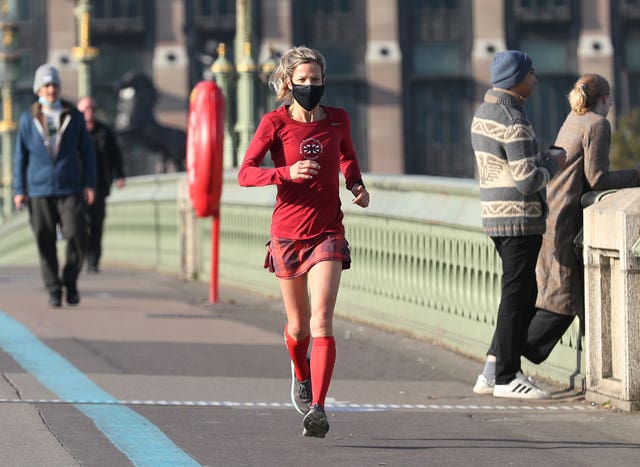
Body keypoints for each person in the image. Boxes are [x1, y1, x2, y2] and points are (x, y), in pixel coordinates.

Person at [238, 45, 369, 438]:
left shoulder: (338, 120)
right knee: (298, 329)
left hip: (328, 231)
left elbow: (347, 157)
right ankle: (300, 372)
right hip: (287, 233)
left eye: (317, 79)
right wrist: (286, 172)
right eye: (303, 80)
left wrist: (356, 185)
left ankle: (318, 408)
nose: (311, 85)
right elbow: (245, 173)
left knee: (322, 320)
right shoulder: (274, 123)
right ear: (288, 83)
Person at [470, 50, 566, 399]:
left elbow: (509, 165)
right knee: (517, 296)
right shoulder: (514, 118)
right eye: (531, 73)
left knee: (516, 293)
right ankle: (508, 377)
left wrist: (538, 159)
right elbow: (527, 180)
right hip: (520, 218)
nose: (535, 79)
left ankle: (491, 369)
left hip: (495, 215)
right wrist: (555, 163)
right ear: (518, 79)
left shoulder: (483, 113)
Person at [13, 64, 96, 307]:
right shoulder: (28, 119)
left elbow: (87, 152)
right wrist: (19, 190)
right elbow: (21, 157)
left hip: (69, 187)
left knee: (76, 235)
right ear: (38, 89)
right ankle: (53, 289)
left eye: (54, 85)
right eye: (46, 85)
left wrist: (90, 183)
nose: (51, 90)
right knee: (44, 239)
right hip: (38, 189)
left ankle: (70, 281)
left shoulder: (74, 116)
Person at [77, 96, 125, 273]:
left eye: (91, 108)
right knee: (78, 224)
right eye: (84, 110)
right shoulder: (73, 133)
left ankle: (93, 260)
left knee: (97, 223)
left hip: (99, 186)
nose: (88, 112)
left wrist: (120, 175)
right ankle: (81, 254)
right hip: (77, 187)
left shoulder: (104, 132)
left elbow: (115, 155)